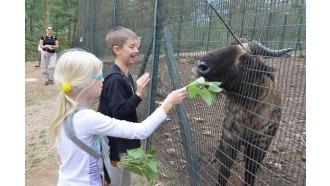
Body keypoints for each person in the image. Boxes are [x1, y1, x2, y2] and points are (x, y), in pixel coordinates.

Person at [50, 49, 187, 186]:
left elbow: (78, 158)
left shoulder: (66, 113)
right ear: (84, 82)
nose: (103, 79)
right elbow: (141, 131)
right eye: (98, 75)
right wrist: (168, 102)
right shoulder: (86, 118)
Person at [97, 26, 146, 186]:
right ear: (117, 50)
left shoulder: (126, 75)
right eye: (131, 46)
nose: (136, 50)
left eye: (137, 46)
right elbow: (119, 113)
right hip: (114, 146)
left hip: (124, 141)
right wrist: (138, 94)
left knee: (126, 181)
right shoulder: (115, 79)